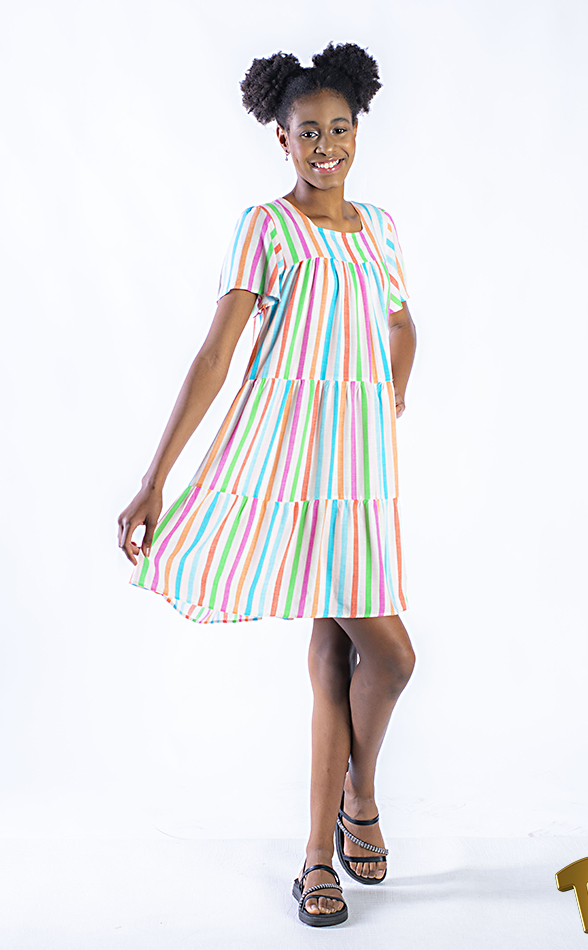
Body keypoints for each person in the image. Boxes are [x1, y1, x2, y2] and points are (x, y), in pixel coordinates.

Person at [117, 41, 417, 928]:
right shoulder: (267, 228)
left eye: (340, 128)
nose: (326, 145)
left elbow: (401, 321)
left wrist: (391, 388)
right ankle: (348, 816)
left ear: (358, 130)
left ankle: (330, 837)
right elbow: (216, 354)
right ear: (280, 139)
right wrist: (156, 478)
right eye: (307, 132)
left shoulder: (379, 227)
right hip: (288, 463)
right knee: (391, 655)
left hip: (360, 469)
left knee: (344, 655)